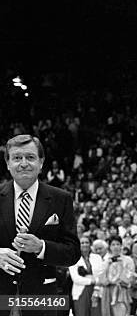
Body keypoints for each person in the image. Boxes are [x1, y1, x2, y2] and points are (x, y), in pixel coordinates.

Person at [0, 134, 80, 316]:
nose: (23, 163)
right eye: (17, 158)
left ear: (41, 162)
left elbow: (73, 252)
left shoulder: (61, 199)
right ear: (7, 163)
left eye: (30, 157)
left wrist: (41, 247)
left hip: (44, 298)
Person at [97, 236, 135, 316]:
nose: (115, 247)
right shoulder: (106, 261)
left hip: (121, 290)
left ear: (121, 245)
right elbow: (100, 278)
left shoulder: (128, 260)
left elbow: (130, 276)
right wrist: (108, 265)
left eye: (118, 244)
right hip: (107, 290)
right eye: (113, 244)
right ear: (110, 247)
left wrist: (121, 267)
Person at [69, 236, 104, 316]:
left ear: (90, 244)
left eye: (87, 242)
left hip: (96, 290)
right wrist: (91, 280)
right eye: (82, 243)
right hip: (81, 292)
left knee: (97, 313)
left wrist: (96, 283)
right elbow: (75, 278)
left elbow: (101, 274)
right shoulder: (73, 258)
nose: (85, 244)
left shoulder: (97, 257)